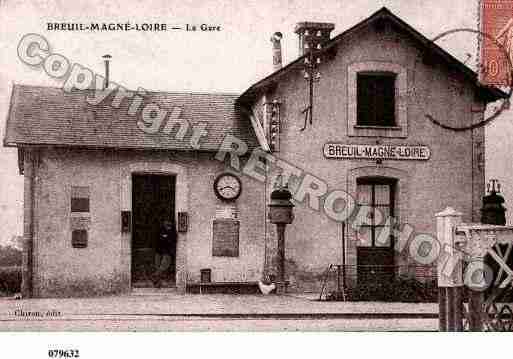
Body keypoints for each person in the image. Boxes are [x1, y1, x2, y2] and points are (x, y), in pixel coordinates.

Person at [152, 220, 177, 288]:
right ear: (164, 225)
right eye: (166, 225)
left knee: (163, 267)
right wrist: (164, 238)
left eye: (169, 225)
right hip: (159, 251)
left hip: (167, 252)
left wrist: (165, 238)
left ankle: (155, 276)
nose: (168, 226)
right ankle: (157, 283)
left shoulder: (172, 232)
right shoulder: (160, 231)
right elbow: (157, 239)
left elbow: (173, 240)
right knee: (158, 267)